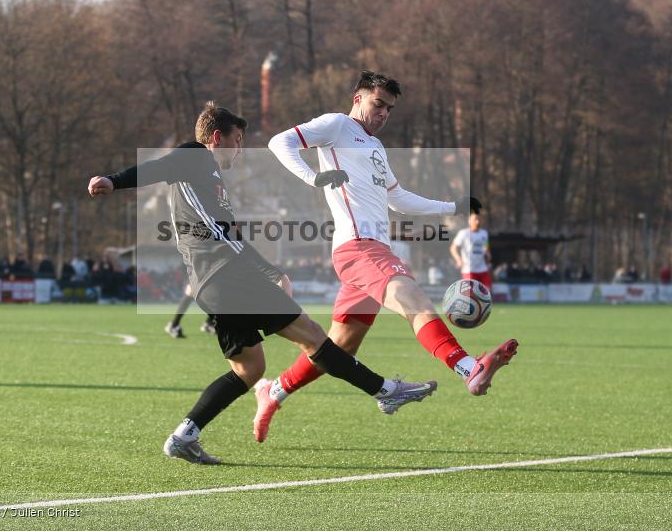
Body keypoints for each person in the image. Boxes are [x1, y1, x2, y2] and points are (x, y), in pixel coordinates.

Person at [87, 101, 436, 465]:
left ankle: (183, 435)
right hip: (227, 273)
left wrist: (270, 270)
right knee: (313, 336)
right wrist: (113, 180)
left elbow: (231, 233)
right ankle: (385, 390)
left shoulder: (211, 182)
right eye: (237, 141)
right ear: (217, 138)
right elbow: (156, 168)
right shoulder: (195, 156)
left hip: (214, 282)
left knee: (249, 370)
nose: (240, 150)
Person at [259, 70, 518, 442]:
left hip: (373, 249)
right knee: (413, 298)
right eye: (377, 104)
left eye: (389, 109)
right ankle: (468, 367)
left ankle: (275, 391)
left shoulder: (376, 148)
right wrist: (312, 177)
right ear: (358, 98)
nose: (382, 113)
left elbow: (397, 198)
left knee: (337, 347)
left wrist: (453, 205)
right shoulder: (335, 125)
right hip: (358, 248)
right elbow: (278, 142)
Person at [451, 211, 493, 291]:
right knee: (471, 294)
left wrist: (488, 255)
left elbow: (485, 247)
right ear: (469, 221)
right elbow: (453, 248)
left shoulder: (484, 233)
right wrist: (459, 260)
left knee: (487, 292)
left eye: (479, 219)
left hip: (482, 268)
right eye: (475, 219)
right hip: (468, 269)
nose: (477, 222)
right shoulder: (463, 233)